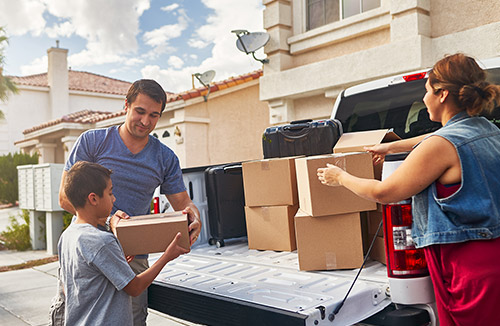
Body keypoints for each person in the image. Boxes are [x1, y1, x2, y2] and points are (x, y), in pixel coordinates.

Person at [317, 53, 500, 326]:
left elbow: (384, 192)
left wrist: (340, 177)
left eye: (426, 90)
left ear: (442, 95)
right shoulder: (487, 130)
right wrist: (392, 146)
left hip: (466, 268)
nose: (424, 99)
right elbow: (437, 138)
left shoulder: (441, 146)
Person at [52, 79, 201, 326]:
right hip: (86, 253)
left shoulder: (165, 157)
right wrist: (111, 221)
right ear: (126, 106)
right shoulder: (92, 142)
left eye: (154, 115)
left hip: (133, 258)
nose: (145, 121)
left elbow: (183, 202)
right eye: (140, 112)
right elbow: (65, 198)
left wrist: (194, 217)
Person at [59, 161, 189, 325]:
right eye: (110, 193)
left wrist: (117, 263)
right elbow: (135, 288)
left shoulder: (67, 236)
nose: (114, 199)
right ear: (93, 198)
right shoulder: (102, 240)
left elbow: (70, 286)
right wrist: (167, 256)